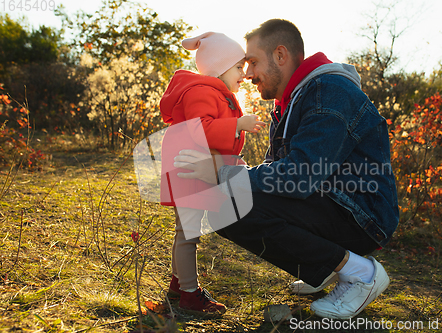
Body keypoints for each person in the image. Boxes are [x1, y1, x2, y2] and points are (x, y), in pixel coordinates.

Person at [173, 19, 399, 320]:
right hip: (333, 203)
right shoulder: (292, 100)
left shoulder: (329, 91)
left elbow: (299, 175)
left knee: (226, 202)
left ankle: (361, 274)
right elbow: (276, 172)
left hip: (362, 215)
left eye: (253, 62)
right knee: (229, 197)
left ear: (281, 55)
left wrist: (222, 173)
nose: (249, 73)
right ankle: (329, 268)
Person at [159, 31, 265, 315]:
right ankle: (190, 295)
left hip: (195, 170)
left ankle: (178, 286)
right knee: (188, 234)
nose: (244, 74)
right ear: (220, 66)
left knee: (186, 232)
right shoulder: (202, 91)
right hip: (190, 170)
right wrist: (237, 124)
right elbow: (201, 130)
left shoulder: (213, 92)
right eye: (239, 67)